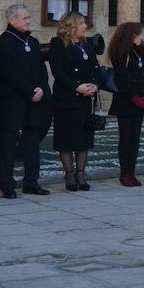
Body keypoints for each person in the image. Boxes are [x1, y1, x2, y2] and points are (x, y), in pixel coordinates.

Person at [0, 4, 50, 198]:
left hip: (34, 101)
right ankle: (7, 184)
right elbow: (8, 72)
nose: (28, 20)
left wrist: (42, 88)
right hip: (12, 101)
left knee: (32, 142)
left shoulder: (33, 42)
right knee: (8, 144)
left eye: (28, 17)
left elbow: (42, 70)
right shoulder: (2, 42)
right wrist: (28, 90)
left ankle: (31, 182)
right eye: (24, 18)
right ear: (12, 20)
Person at [47, 11, 100, 191]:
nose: (85, 26)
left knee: (84, 137)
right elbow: (58, 71)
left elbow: (95, 69)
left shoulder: (86, 46)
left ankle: (81, 174)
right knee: (66, 137)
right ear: (71, 25)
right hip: (66, 99)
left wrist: (94, 85)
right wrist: (76, 87)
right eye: (82, 23)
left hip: (85, 100)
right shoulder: (58, 44)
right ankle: (69, 174)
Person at [107, 22, 144, 188]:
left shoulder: (142, 52)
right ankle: (124, 173)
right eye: (140, 34)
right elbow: (121, 79)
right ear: (131, 35)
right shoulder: (121, 53)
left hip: (140, 101)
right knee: (126, 137)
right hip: (125, 102)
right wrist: (134, 96)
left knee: (136, 137)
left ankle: (132, 171)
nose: (142, 37)